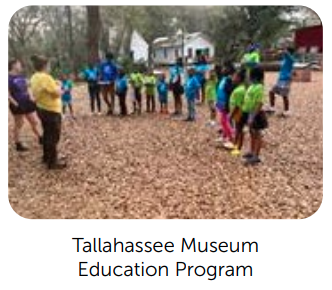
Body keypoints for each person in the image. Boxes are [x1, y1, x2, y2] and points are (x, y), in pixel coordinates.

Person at [30, 55, 66, 170]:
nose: (50, 67)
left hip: (41, 109)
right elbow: (56, 94)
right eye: (49, 65)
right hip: (51, 111)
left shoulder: (34, 77)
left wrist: (54, 83)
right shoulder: (46, 77)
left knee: (47, 133)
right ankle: (52, 162)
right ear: (45, 66)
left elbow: (42, 90)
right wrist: (61, 87)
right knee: (53, 136)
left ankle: (46, 157)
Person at [8, 59, 42, 151]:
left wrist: (31, 97)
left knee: (34, 121)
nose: (20, 65)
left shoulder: (21, 76)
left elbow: (27, 88)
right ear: (13, 65)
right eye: (19, 64)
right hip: (17, 104)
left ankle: (40, 138)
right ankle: (18, 144)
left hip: (27, 102)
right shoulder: (8, 78)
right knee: (19, 123)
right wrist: (15, 104)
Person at [241, 66, 268, 165]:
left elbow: (259, 103)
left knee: (257, 134)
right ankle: (252, 151)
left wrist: (252, 116)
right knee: (252, 133)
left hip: (256, 114)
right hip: (249, 112)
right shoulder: (252, 86)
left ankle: (256, 155)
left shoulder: (259, 87)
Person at [267, 47, 296, 117]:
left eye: (287, 52)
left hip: (286, 80)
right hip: (280, 79)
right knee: (271, 92)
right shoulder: (285, 60)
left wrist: (277, 50)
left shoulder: (291, 59)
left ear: (289, 52)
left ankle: (286, 112)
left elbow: (285, 52)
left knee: (284, 95)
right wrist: (274, 54)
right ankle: (272, 108)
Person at [216, 61, 235, 148]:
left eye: (224, 68)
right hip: (220, 102)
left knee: (224, 121)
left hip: (225, 103)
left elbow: (230, 93)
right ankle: (224, 136)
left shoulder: (229, 80)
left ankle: (231, 138)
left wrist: (227, 105)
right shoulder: (224, 79)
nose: (222, 69)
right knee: (223, 120)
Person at [229, 69, 247, 156]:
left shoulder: (239, 91)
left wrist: (230, 116)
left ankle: (238, 148)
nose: (232, 78)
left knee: (239, 130)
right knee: (238, 130)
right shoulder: (241, 88)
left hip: (239, 114)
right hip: (239, 113)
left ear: (239, 78)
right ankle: (236, 146)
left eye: (234, 76)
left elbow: (237, 106)